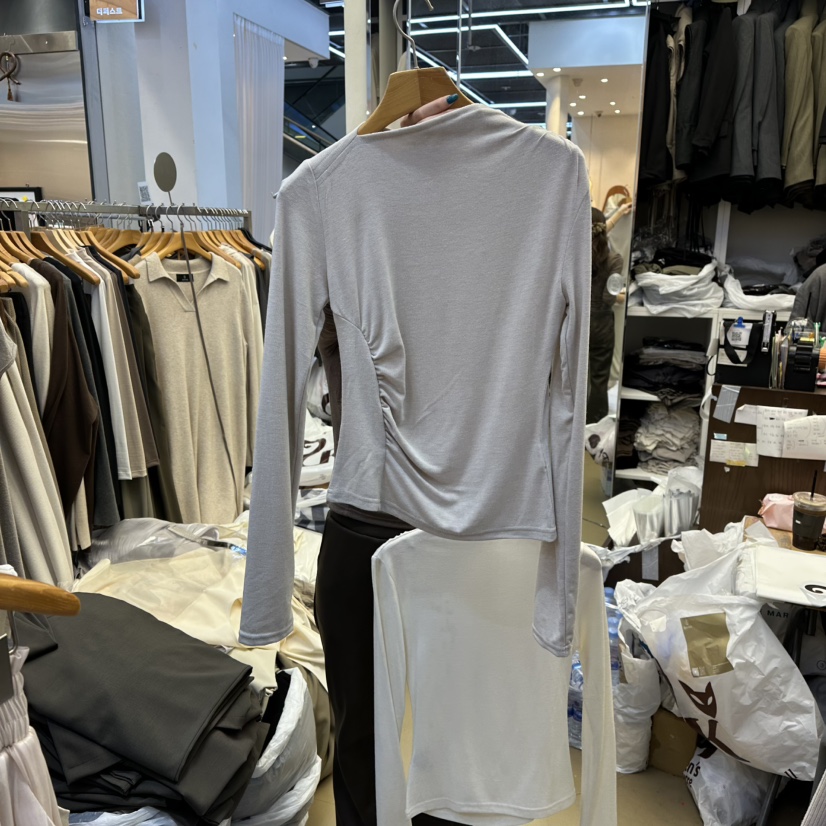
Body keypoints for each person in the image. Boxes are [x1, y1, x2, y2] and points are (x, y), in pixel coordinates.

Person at [587, 208, 624, 424]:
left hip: (577, 325)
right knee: (599, 380)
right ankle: (594, 426)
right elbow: (609, 297)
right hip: (601, 327)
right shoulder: (614, 260)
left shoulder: (575, 257)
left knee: (570, 380)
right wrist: (621, 296)